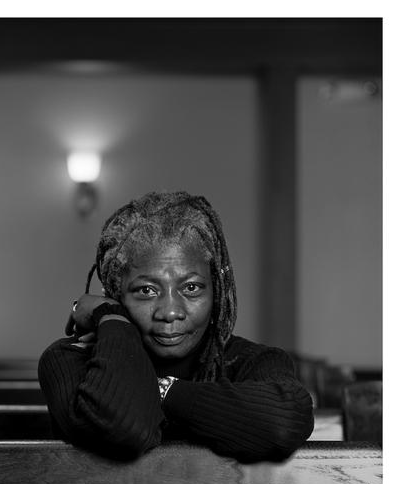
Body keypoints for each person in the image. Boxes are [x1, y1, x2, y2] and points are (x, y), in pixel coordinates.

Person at [38, 191, 314, 463]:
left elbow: (283, 424)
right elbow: (126, 429)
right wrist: (110, 316)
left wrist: (161, 390)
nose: (170, 312)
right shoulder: (70, 360)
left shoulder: (251, 362)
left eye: (191, 288)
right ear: (115, 293)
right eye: (146, 290)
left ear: (215, 291)